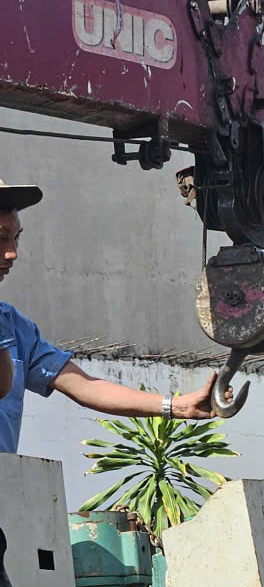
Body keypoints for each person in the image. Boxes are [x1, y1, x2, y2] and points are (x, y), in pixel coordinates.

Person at [0, 178, 228, 454]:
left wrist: (177, 406)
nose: (12, 253)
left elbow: (86, 387)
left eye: (16, 238)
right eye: (1, 238)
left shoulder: (14, 327)